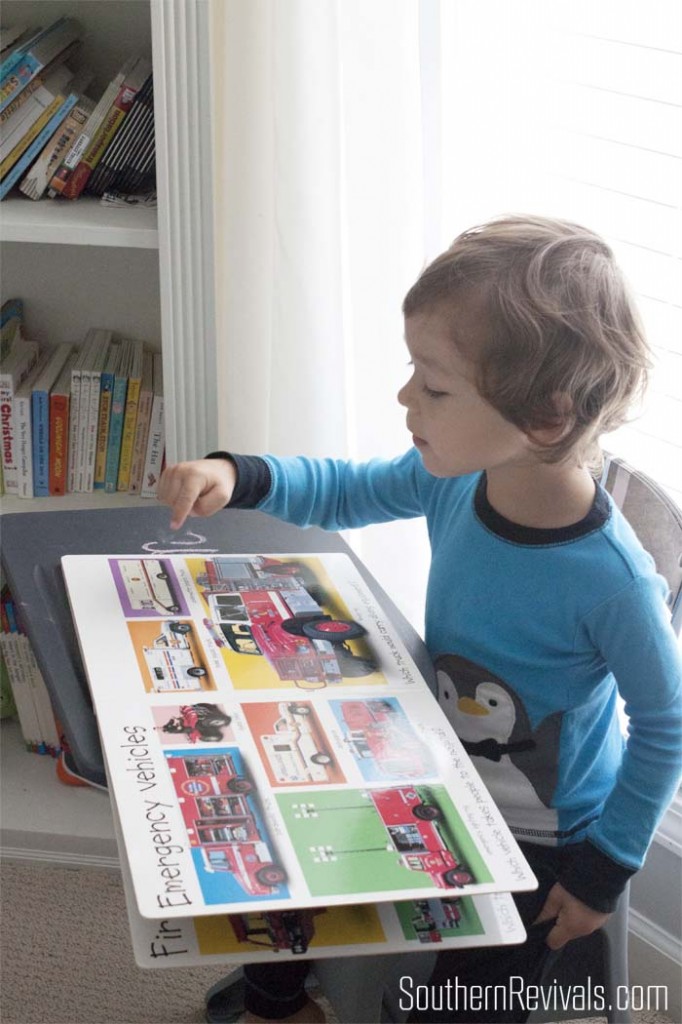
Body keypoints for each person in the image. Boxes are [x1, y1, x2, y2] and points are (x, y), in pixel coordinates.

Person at [158, 215, 682, 1024]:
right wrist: (240, 473)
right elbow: (347, 487)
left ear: (544, 418)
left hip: (542, 840)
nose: (407, 398)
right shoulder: (456, 478)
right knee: (273, 855)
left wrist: (601, 874)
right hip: (429, 763)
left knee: (460, 1005)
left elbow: (666, 725)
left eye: (434, 387)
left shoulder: (614, 583)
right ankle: (283, 1004)